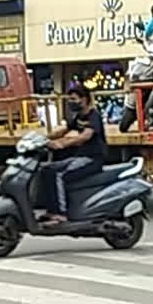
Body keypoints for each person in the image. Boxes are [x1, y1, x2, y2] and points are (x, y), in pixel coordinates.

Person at [41, 86, 106, 224]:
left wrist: (62, 144)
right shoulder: (79, 116)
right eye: (69, 99)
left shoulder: (94, 116)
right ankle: (51, 210)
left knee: (60, 175)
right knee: (47, 170)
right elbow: (64, 130)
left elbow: (84, 136)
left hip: (92, 159)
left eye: (73, 99)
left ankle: (60, 214)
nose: (70, 102)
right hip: (79, 157)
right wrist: (42, 138)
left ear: (84, 99)